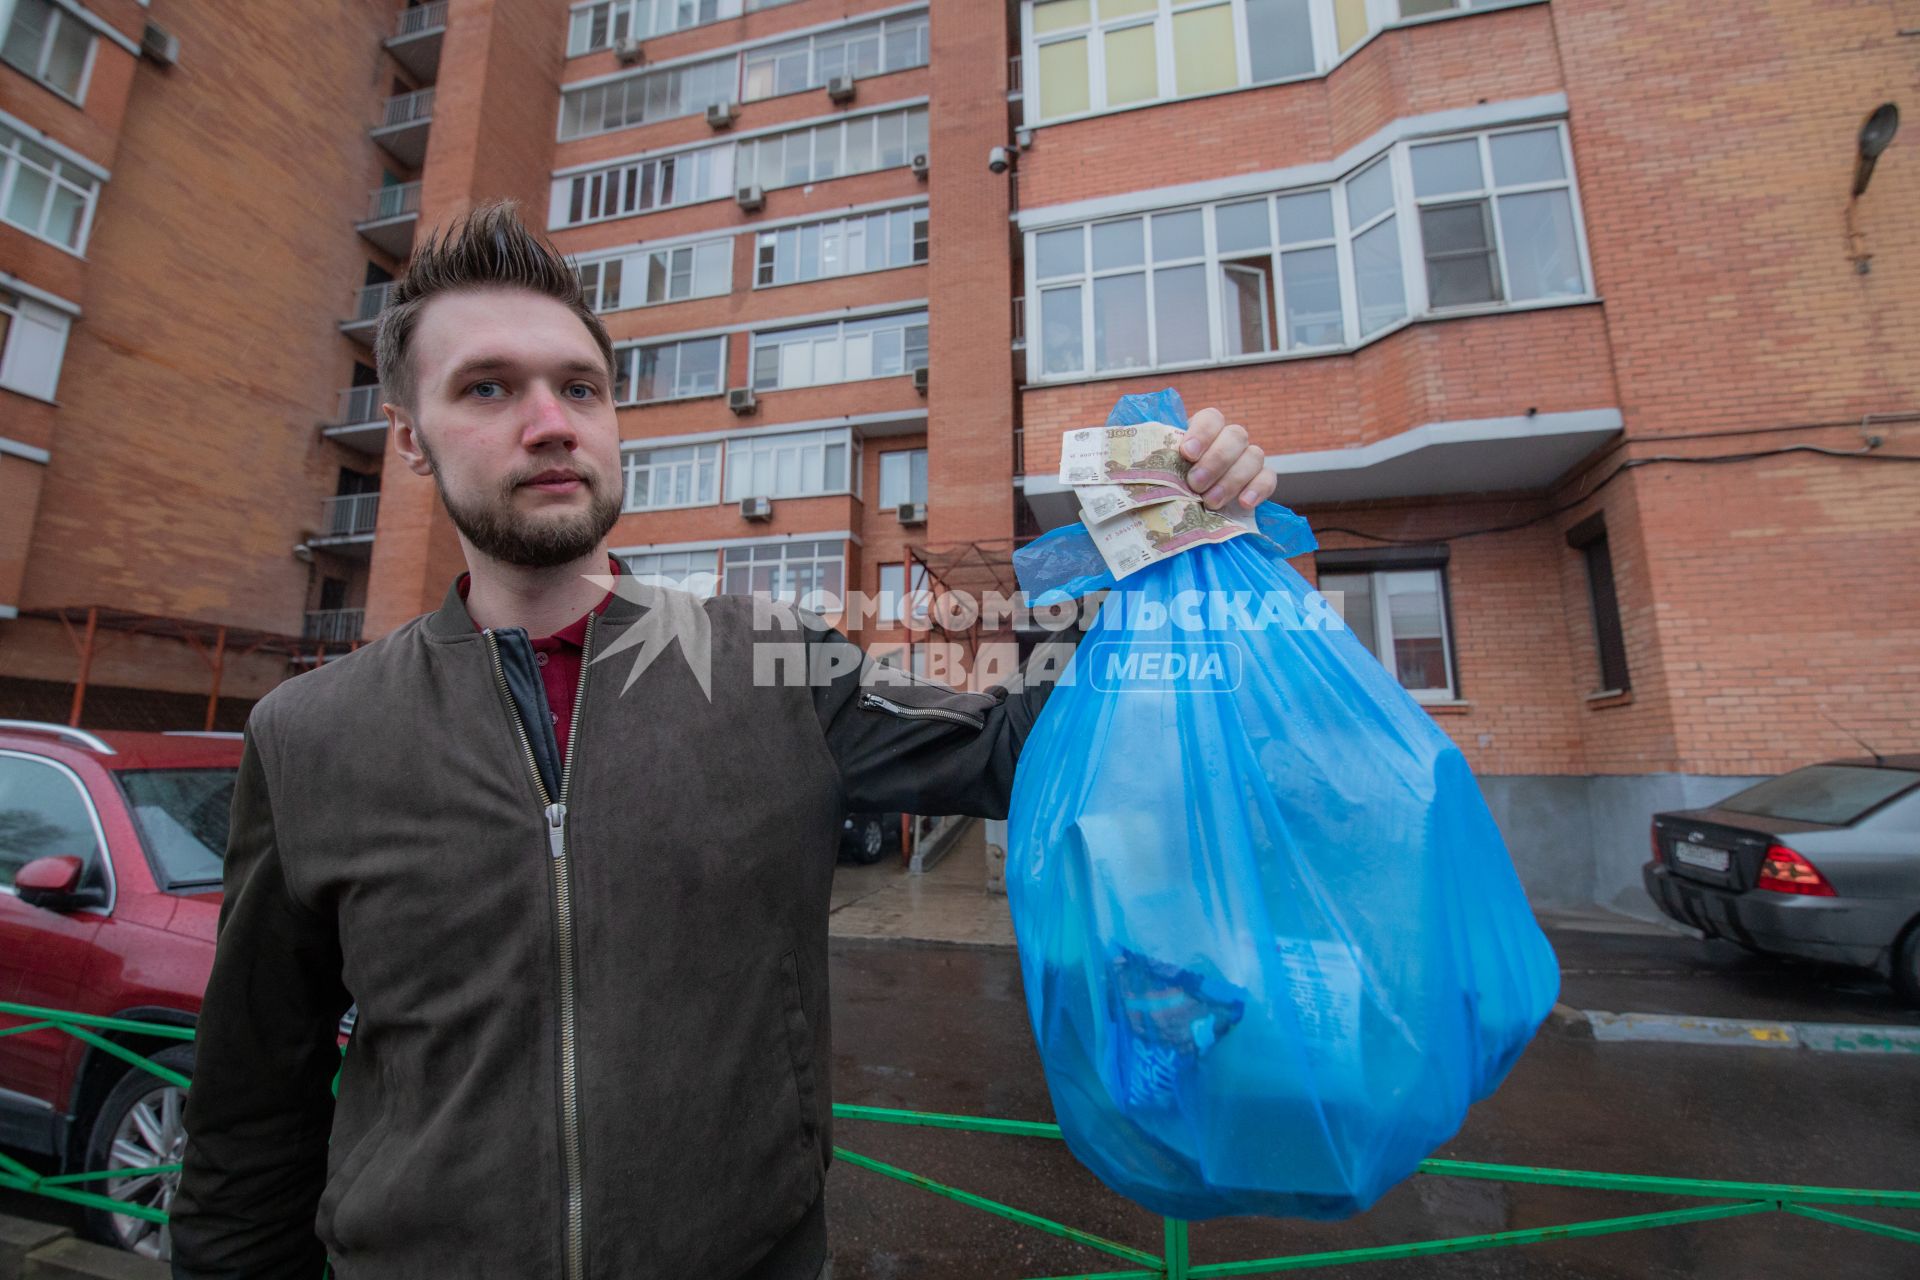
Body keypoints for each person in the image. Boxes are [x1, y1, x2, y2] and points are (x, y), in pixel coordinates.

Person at [167, 201, 1277, 1280]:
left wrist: (1156, 538)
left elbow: (1021, 747)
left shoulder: (771, 665)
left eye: (581, 387)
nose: (550, 419)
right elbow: (251, 1109)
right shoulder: (312, 736)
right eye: (488, 388)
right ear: (410, 442)